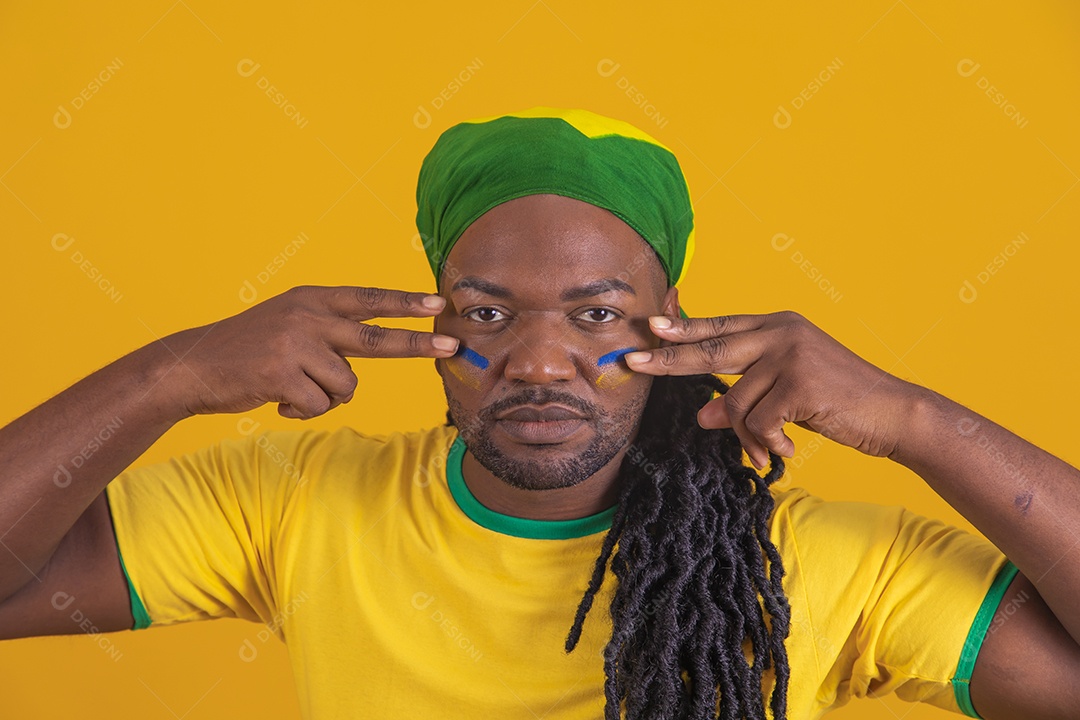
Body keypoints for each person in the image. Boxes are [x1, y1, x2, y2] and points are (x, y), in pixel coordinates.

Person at [0, 107, 1077, 720]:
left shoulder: (811, 560)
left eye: (599, 312)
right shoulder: (293, 502)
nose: (539, 361)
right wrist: (171, 375)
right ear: (429, 315)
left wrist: (917, 422)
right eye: (486, 310)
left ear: (678, 331)